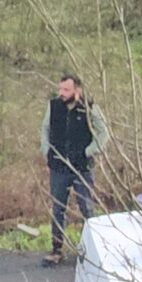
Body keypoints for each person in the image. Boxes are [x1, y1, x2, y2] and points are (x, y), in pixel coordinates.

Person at [43, 75, 109, 266]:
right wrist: (46, 150)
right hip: (58, 166)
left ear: (77, 91)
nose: (61, 94)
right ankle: (56, 249)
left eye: (66, 90)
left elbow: (104, 132)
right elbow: (44, 129)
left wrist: (89, 152)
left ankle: (92, 251)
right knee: (57, 208)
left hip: (82, 167)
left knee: (87, 209)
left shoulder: (89, 107)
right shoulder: (53, 106)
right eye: (60, 89)